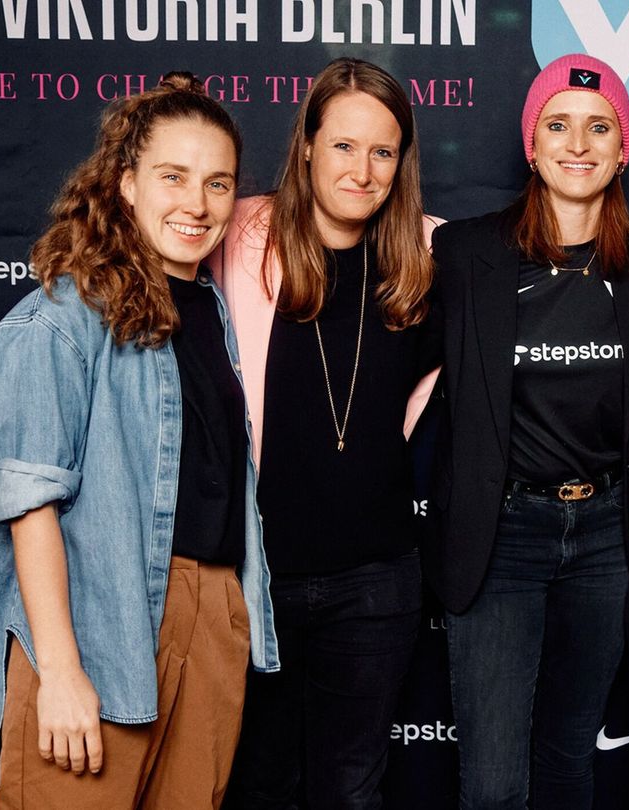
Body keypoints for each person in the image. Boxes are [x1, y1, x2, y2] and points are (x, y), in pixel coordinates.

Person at [0, 73, 277, 809]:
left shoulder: (210, 309)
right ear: (126, 182)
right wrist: (61, 670)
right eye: (174, 177)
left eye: (218, 183)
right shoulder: (60, 319)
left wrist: (226, 622)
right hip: (100, 619)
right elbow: (31, 506)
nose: (197, 205)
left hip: (211, 612)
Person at [427, 53, 629, 810]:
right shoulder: (466, 252)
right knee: (496, 786)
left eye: (600, 127)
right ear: (531, 146)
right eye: (558, 125)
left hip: (607, 536)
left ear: (623, 147)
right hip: (504, 535)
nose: (579, 144)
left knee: (570, 762)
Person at [213, 58, 439, 809]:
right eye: (343, 145)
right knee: (256, 784)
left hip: (375, 580)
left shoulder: (427, 258)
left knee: (350, 790)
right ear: (306, 144)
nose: (363, 169)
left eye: (383, 150)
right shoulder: (238, 233)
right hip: (254, 575)